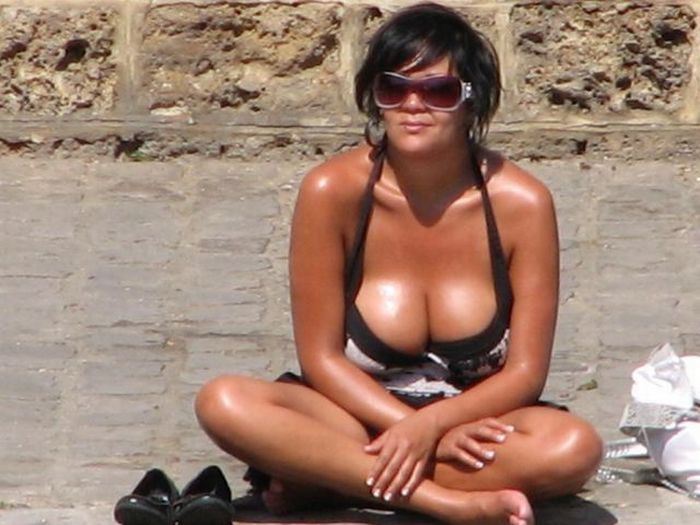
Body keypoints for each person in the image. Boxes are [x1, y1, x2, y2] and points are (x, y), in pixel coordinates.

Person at [194, 3, 603, 524]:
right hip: (353, 417)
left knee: (572, 447)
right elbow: (321, 359)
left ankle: (332, 476)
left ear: (471, 102)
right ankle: (446, 503)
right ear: (376, 98)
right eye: (393, 89)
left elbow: (525, 373)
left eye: (438, 91)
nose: (413, 105)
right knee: (224, 401)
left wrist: (435, 425)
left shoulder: (522, 204)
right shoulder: (331, 191)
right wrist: (413, 431)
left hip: (472, 422)